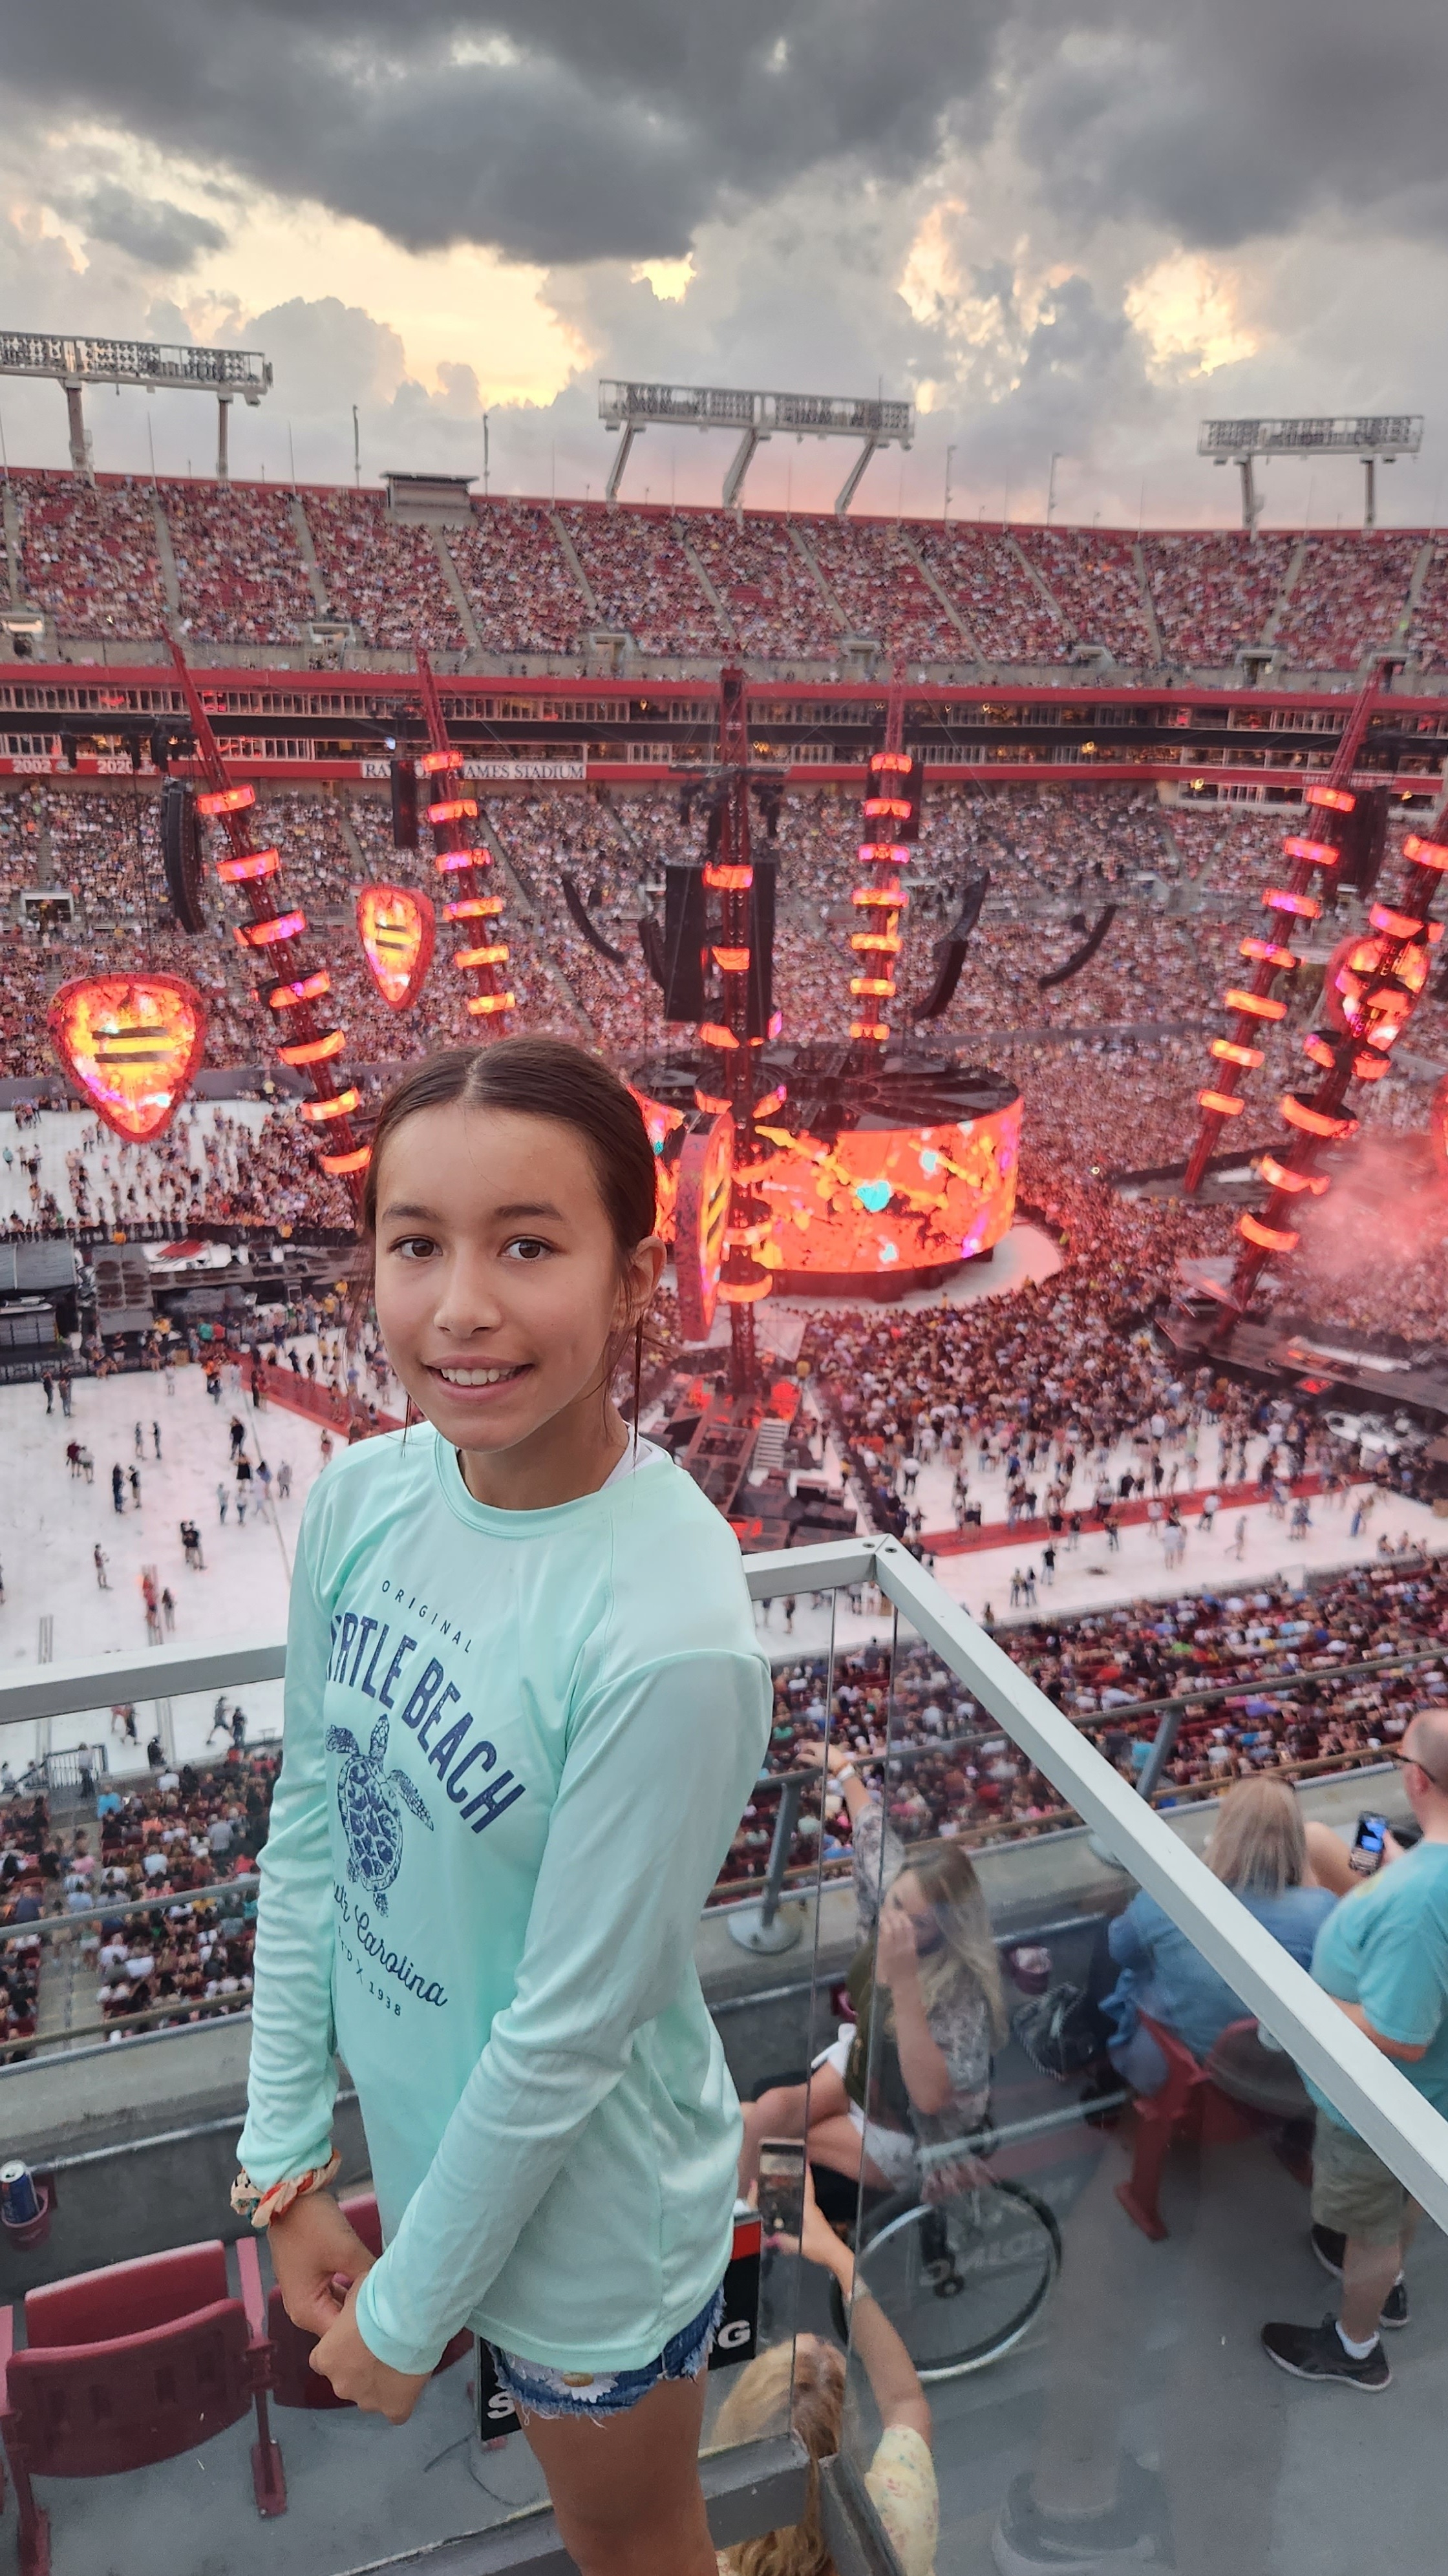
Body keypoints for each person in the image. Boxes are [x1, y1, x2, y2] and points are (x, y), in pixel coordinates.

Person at [235, 1039, 771, 2576]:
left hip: (592, 2230)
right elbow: (313, 1826)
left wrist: (408, 2315)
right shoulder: (364, 1498)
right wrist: (284, 2163)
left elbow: (566, 2032)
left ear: (633, 1278)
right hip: (431, 2169)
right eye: (417, 1244)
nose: (459, 1305)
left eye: (527, 1245)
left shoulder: (667, 1631)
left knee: (631, 2547)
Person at [1262, 1707, 1448, 2391]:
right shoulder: (1422, 1882)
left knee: (1372, 2227)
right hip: (1429, 2100)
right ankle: (1384, 2278)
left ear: (1416, 1779)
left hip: (1385, 2104)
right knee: (1397, 2204)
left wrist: (1306, 2001)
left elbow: (1401, 2035)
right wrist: (1394, 1861)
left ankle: (1355, 2345)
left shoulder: (1418, 1901)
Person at [742, 1742, 1006, 2199]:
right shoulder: (892, 1894)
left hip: (910, 2129)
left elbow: (929, 2099)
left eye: (917, 1922)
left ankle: (765, 2230)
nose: (895, 1920)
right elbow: (871, 1834)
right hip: (865, 2069)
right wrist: (844, 1770)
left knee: (772, 2140)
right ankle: (737, 2219)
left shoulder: (960, 1993)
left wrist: (903, 1981)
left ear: (945, 1932)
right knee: (768, 2112)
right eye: (895, 1901)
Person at [714, 2165, 937, 2576]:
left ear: (734, 2424)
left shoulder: (701, 2554)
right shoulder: (893, 2520)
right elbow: (905, 2401)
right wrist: (837, 2256)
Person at [1102, 1777, 1336, 2094]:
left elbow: (1120, 1950)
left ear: (1224, 1831)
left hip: (1183, 2075)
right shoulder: (1322, 1910)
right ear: (1297, 1839)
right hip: (1284, 2084)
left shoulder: (1167, 1899)